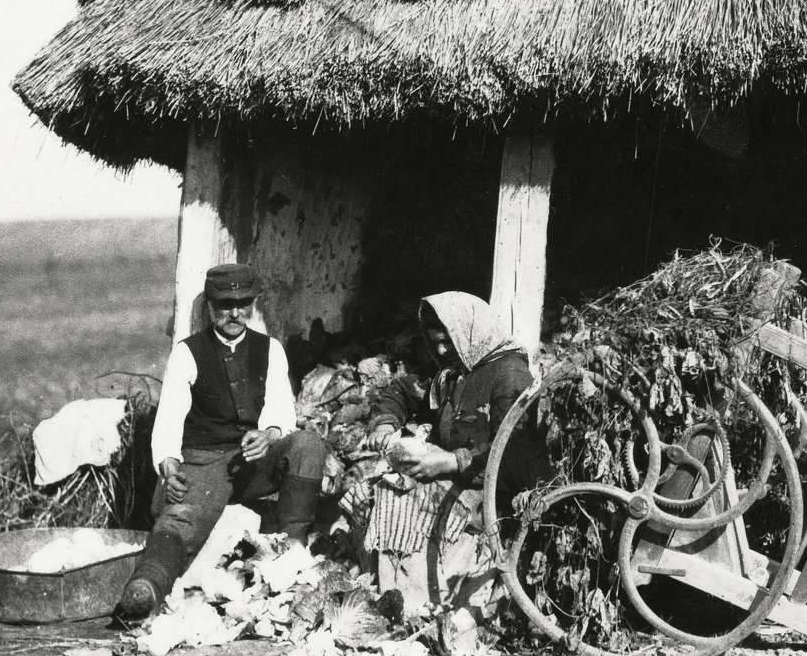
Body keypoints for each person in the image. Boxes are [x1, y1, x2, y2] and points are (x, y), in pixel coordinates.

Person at [117, 263, 326, 620]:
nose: (234, 313)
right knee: (179, 516)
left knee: (307, 445)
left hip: (251, 460)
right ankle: (147, 585)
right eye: (224, 305)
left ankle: (292, 557)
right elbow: (168, 419)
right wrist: (168, 463)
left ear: (253, 304)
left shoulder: (269, 349)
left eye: (243, 304)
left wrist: (269, 435)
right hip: (203, 461)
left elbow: (280, 410)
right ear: (210, 307)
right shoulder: (188, 353)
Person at [351, 291, 542, 610]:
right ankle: (393, 595)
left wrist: (453, 461)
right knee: (373, 491)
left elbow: (513, 454)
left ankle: (431, 602)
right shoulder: (452, 371)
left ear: (469, 333)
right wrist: (385, 423)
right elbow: (401, 390)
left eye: (448, 340)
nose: (439, 349)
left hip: (492, 498)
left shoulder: (509, 375)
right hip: (451, 482)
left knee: (410, 504)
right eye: (434, 340)